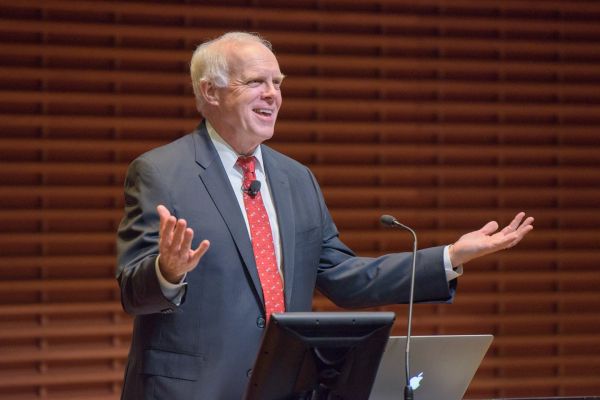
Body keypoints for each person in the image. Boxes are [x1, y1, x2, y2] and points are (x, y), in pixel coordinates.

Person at [116, 31, 534, 399]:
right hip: (192, 390)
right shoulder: (161, 172)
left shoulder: (296, 179)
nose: (272, 94)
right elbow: (134, 294)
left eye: (277, 83)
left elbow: (344, 278)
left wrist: (449, 257)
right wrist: (167, 272)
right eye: (256, 82)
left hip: (282, 385)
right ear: (210, 92)